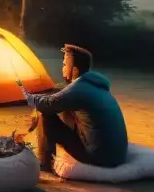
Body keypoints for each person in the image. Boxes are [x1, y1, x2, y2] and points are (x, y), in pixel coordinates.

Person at [19, 44, 128, 172]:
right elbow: (60, 97)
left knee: (44, 113)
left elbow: (47, 104)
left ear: (75, 70)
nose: (62, 69)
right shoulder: (94, 84)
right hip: (117, 156)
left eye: (65, 65)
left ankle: (44, 163)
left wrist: (27, 95)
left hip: (99, 158)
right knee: (64, 107)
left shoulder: (78, 89)